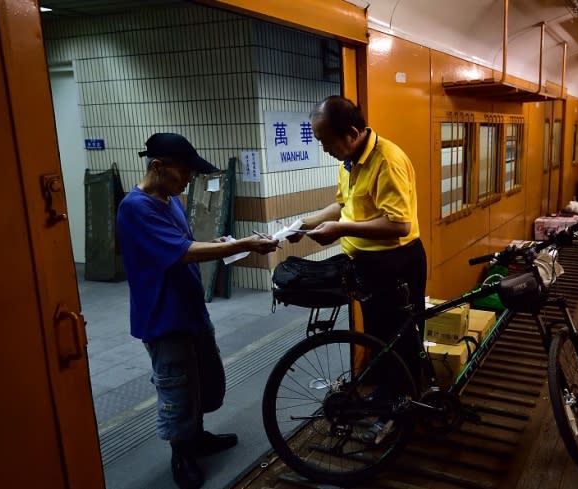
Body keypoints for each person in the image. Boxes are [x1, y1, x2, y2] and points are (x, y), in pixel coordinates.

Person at [116, 132, 279, 489]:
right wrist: (245, 244)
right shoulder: (135, 207)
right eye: (184, 171)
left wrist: (224, 244)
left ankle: (197, 435)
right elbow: (184, 252)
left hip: (189, 307)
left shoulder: (170, 199)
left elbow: (186, 243)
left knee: (205, 381)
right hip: (163, 315)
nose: (189, 178)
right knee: (177, 387)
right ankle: (182, 452)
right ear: (158, 167)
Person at [294, 96, 427, 443]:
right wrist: (308, 221)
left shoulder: (388, 160)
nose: (324, 149)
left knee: (402, 341)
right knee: (379, 339)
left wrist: (340, 230)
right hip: (367, 263)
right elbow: (343, 204)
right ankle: (387, 401)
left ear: (351, 133)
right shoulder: (349, 160)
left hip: (397, 264)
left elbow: (399, 224)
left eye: (326, 141)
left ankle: (405, 412)